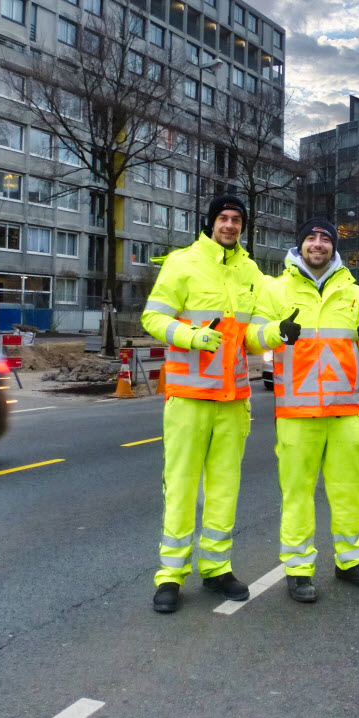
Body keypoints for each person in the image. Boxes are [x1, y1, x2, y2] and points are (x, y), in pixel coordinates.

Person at [140, 195, 278, 614]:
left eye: (237, 219)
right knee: (180, 487)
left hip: (234, 398)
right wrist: (192, 336)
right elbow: (152, 318)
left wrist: (275, 334)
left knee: (224, 488)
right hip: (188, 398)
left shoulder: (251, 271)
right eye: (223, 218)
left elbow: (251, 338)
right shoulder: (182, 263)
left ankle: (217, 568)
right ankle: (170, 577)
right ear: (210, 222)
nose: (230, 225)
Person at [260, 218, 359, 603]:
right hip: (297, 414)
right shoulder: (277, 289)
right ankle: (298, 570)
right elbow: (253, 335)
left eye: (325, 239)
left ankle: (350, 563)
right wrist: (274, 332)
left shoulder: (354, 293)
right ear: (300, 246)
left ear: (334, 247)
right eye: (311, 238)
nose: (318, 244)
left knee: (348, 491)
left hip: (346, 410)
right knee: (297, 494)